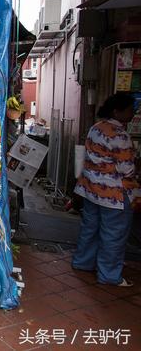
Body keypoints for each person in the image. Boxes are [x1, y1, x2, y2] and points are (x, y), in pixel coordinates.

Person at [73, 92, 137, 287]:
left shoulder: (96, 128)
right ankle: (109, 275)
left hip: (90, 188)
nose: (132, 114)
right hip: (114, 194)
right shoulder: (120, 136)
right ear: (117, 111)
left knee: (90, 228)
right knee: (113, 234)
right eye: (129, 110)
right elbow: (127, 169)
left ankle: (83, 262)